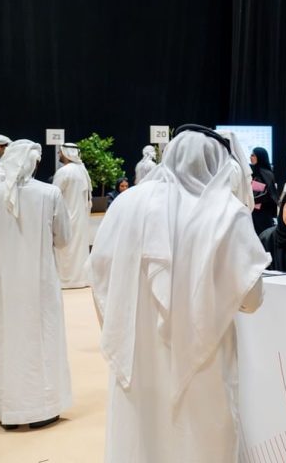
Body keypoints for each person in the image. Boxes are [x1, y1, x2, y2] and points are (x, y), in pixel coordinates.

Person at [88, 126, 270, 463]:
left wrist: (123, 324)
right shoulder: (226, 214)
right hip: (201, 361)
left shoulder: (126, 203)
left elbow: (99, 272)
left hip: (136, 356)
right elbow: (251, 297)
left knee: (140, 439)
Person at [0, 140, 73, 429]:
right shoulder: (49, 193)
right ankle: (41, 409)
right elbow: (63, 238)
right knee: (42, 338)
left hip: (6, 284)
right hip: (40, 283)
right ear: (33, 162)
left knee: (9, 341)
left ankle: (11, 410)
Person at [53, 143, 92, 288]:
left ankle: (66, 280)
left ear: (66, 153)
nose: (59, 154)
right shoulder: (83, 171)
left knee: (65, 250)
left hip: (66, 217)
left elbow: (54, 195)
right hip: (81, 218)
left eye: (60, 152)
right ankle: (80, 279)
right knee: (79, 250)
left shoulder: (64, 171)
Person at [249, 147, 279, 233]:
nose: (250, 157)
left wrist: (251, 200)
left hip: (262, 211)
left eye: (253, 155)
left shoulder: (265, 173)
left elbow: (268, 194)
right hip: (254, 209)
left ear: (259, 157)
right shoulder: (255, 171)